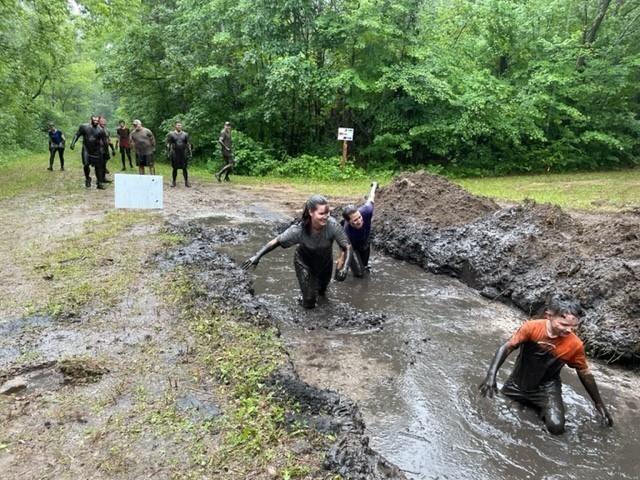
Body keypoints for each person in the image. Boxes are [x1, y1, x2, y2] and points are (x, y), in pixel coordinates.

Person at [479, 293, 614, 435]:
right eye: (564, 324)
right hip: (517, 383)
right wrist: (491, 375)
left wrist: (598, 403)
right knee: (491, 409)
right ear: (549, 316)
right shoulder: (531, 328)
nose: (569, 330)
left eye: (574, 327)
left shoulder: (575, 345)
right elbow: (507, 347)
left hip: (546, 389)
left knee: (557, 427)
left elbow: (583, 372)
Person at [242, 195, 352, 309]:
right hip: (304, 262)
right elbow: (277, 241)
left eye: (327, 213)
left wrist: (345, 268)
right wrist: (257, 256)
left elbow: (347, 246)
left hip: (325, 262)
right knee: (309, 300)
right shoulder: (299, 230)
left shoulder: (333, 225)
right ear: (311, 212)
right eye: (321, 214)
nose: (325, 217)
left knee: (321, 291)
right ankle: (305, 307)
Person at [342, 182, 377, 277]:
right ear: (348, 222)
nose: (359, 221)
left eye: (359, 217)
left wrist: (374, 186)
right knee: (359, 274)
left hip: (364, 241)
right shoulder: (347, 232)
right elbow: (344, 249)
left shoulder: (367, 211)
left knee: (365, 267)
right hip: (353, 247)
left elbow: (371, 198)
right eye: (355, 220)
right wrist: (343, 267)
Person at [69, 115, 109, 190]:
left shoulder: (100, 130)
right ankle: (87, 178)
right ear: (91, 120)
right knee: (86, 164)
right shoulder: (84, 127)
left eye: (97, 121)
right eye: (94, 120)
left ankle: (99, 183)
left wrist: (106, 152)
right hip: (86, 149)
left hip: (96, 150)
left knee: (98, 167)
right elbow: (77, 135)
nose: (95, 122)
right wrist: (73, 143)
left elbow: (105, 142)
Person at [166, 121, 192, 187]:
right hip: (175, 153)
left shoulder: (185, 134)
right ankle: (174, 182)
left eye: (180, 125)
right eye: (178, 125)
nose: (179, 126)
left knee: (184, 168)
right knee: (174, 168)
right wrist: (168, 152)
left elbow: (188, 144)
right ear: (175, 126)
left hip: (183, 153)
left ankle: (186, 182)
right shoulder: (171, 134)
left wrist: (190, 152)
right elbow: (169, 144)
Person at [98, 116, 116, 183]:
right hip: (98, 149)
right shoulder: (96, 129)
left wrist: (113, 149)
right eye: (102, 121)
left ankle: (103, 178)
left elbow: (109, 140)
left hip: (105, 149)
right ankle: (99, 179)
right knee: (99, 165)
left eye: (104, 121)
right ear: (98, 121)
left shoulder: (106, 130)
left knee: (104, 164)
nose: (103, 123)